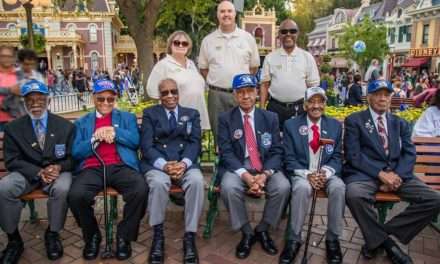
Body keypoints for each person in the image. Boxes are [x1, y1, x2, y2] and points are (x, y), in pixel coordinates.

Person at [344, 80, 440, 264]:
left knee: (434, 200)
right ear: (369, 97)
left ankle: (380, 236)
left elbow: (410, 153)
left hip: (398, 174)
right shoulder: (355, 120)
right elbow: (353, 155)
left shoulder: (400, 123)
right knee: (354, 194)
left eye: (386, 95)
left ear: (391, 98)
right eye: (378, 94)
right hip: (366, 174)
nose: (383, 98)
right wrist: (380, 174)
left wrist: (397, 177)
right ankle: (388, 244)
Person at [68, 79, 147, 261]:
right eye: (101, 99)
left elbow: (135, 141)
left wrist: (114, 132)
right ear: (94, 98)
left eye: (110, 99)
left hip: (121, 165)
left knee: (140, 189)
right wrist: (95, 138)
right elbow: (77, 152)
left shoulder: (127, 118)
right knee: (76, 195)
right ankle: (92, 236)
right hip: (92, 167)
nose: (105, 103)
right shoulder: (82, 122)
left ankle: (123, 237)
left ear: (115, 99)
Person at [0, 80, 74, 262]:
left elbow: (73, 158)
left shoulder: (65, 126)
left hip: (57, 172)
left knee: (64, 188)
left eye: (40, 99)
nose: (35, 104)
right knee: (3, 188)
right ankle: (14, 240)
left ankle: (53, 233)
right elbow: (11, 161)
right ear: (24, 102)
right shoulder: (13, 128)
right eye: (30, 100)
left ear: (48, 100)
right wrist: (37, 172)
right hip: (27, 174)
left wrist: (59, 167)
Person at [218, 74, 290, 260]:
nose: (246, 96)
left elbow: (276, 150)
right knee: (228, 187)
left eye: (250, 91)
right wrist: (245, 176)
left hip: (265, 166)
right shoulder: (226, 118)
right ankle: (247, 231)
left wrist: (265, 175)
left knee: (283, 187)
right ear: (235, 95)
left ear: (257, 92)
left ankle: (263, 228)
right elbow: (226, 152)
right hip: (239, 166)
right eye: (241, 92)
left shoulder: (270, 117)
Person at [141, 78, 204, 264]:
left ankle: (190, 236)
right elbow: (146, 145)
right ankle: (158, 236)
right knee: (159, 183)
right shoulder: (150, 114)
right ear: (159, 96)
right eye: (165, 92)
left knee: (197, 181)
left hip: (184, 163)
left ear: (178, 92)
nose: (170, 96)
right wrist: (165, 165)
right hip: (158, 164)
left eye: (173, 91)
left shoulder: (191, 114)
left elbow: (195, 142)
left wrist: (183, 164)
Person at [280, 87, 345, 264]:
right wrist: (308, 175)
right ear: (305, 104)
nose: (316, 105)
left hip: (326, 173)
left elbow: (338, 156)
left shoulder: (334, 126)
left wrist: (325, 172)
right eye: (312, 101)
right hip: (303, 173)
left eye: (320, 101)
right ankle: (294, 239)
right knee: (301, 188)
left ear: (325, 104)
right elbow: (289, 157)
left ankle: (332, 239)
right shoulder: (291, 125)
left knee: (339, 187)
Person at [198, 0, 260, 138]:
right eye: (222, 11)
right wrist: (220, 82)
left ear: (235, 13)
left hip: (242, 93)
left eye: (229, 11)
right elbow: (204, 69)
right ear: (217, 15)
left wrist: (241, 85)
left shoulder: (247, 38)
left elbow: (254, 67)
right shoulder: (208, 40)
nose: (226, 14)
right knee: (220, 135)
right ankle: (221, 159)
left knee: (243, 133)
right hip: (217, 96)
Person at [260, 19, 320, 130]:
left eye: (292, 31)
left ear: (297, 33)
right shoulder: (270, 57)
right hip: (275, 109)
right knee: (274, 143)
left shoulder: (307, 57)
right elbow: (264, 85)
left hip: (300, 109)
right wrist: (262, 110)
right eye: (284, 31)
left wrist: (313, 108)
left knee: (298, 143)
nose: (288, 34)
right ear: (279, 35)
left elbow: (313, 87)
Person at [147, 30, 210, 130]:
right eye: (177, 42)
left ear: (188, 47)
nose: (180, 45)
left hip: (195, 118)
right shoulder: (163, 65)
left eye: (184, 43)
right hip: (176, 120)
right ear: (170, 45)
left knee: (195, 145)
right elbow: (152, 92)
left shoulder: (191, 64)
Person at [0, 46, 22, 131]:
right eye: (3, 56)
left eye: (9, 56)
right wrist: (10, 90)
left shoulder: (19, 74)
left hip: (17, 120)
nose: (6, 59)